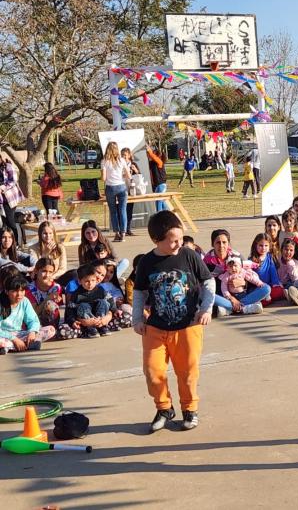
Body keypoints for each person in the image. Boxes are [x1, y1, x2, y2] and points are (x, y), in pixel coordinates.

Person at [132, 211, 215, 432]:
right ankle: (164, 408)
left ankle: (190, 410)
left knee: (187, 373)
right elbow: (139, 292)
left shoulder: (189, 255)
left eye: (180, 238)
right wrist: (137, 318)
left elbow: (208, 282)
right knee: (152, 371)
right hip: (156, 328)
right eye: (173, 240)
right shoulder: (147, 262)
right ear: (157, 240)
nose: (179, 243)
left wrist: (206, 309)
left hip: (188, 327)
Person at [0, 274, 55, 354]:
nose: (19, 294)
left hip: (19, 333)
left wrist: (32, 332)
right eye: (14, 291)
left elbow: (33, 320)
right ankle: (16, 345)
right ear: (6, 291)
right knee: (1, 341)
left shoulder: (24, 301)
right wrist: (14, 339)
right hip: (3, 334)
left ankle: (9, 347)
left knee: (50, 330)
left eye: (22, 290)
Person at [65, 263, 114, 338]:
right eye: (87, 281)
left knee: (103, 302)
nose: (90, 284)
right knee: (83, 305)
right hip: (86, 321)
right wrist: (72, 321)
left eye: (93, 280)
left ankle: (101, 326)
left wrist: (115, 310)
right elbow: (70, 310)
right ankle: (91, 328)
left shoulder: (100, 290)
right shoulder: (76, 294)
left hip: (100, 318)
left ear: (96, 279)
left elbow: (110, 299)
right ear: (80, 281)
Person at [101, 141, 131, 242]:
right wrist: (121, 176)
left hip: (110, 187)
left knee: (113, 211)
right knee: (123, 210)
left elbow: (104, 178)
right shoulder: (122, 160)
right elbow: (128, 175)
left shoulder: (104, 161)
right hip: (121, 187)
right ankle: (123, 233)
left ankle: (116, 233)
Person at [25, 257, 63, 332]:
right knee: (49, 303)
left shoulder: (56, 288)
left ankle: (53, 329)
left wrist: (57, 300)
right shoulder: (30, 289)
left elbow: (57, 309)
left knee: (51, 305)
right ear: (36, 271)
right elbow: (34, 312)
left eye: (50, 272)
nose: (47, 275)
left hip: (51, 321)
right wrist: (48, 298)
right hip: (35, 320)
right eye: (44, 271)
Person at [249, 233, 285, 305]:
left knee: (280, 290)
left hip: (269, 286)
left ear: (270, 246)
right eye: (261, 245)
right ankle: (261, 300)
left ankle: (264, 299)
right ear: (255, 245)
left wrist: (276, 284)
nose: (263, 248)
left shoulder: (270, 258)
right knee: (261, 293)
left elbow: (273, 272)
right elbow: (250, 276)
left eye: (266, 246)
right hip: (257, 287)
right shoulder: (251, 259)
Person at [121, 148, 143, 236]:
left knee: (129, 210)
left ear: (129, 155)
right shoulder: (119, 164)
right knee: (122, 210)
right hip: (122, 189)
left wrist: (136, 170)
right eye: (122, 155)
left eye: (125, 155)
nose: (124, 157)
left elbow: (139, 176)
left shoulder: (133, 164)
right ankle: (122, 230)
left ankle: (128, 229)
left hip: (131, 189)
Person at [0, 159, 21, 237]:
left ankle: (15, 242)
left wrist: (3, 188)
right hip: (1, 200)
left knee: (10, 220)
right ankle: (6, 242)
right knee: (4, 222)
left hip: (9, 199)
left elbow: (13, 180)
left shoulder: (8, 167)